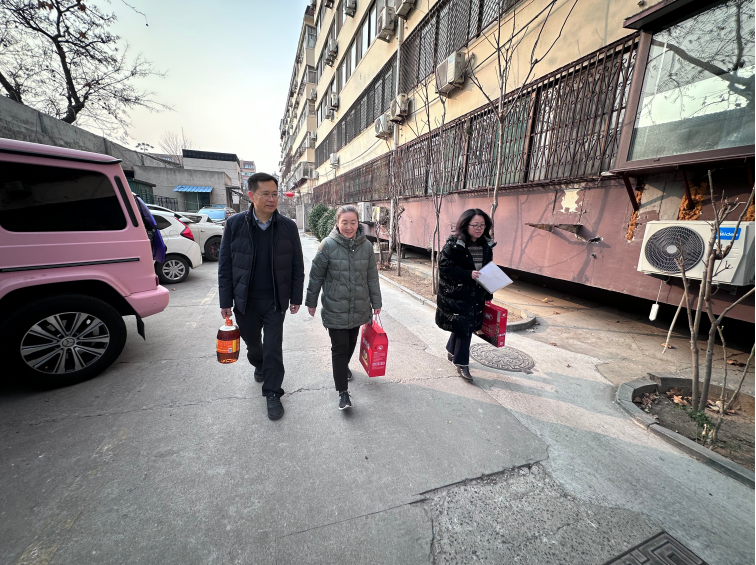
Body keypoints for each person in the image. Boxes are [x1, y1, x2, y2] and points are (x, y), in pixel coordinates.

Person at [218, 172, 305, 421]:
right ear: (251, 195)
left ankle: (273, 392)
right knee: (253, 343)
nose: (271, 199)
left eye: (275, 194)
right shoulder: (235, 225)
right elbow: (225, 265)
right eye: (265, 194)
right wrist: (225, 301)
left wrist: (295, 297)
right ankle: (259, 363)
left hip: (276, 300)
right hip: (245, 300)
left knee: (273, 347)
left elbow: (297, 265)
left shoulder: (287, 226)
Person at [305, 205, 382, 410]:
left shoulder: (366, 246)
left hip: (359, 306)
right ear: (337, 223)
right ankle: (343, 392)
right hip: (335, 307)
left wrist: (376, 302)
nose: (349, 227)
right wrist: (311, 301)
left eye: (353, 222)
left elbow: (372, 277)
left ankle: (343, 367)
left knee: (351, 343)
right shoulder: (327, 245)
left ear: (358, 224)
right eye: (344, 222)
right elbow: (316, 276)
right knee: (339, 348)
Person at [435, 208, 495, 382]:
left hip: (476, 294)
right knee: (465, 327)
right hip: (458, 294)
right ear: (465, 225)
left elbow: (488, 269)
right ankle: (462, 363)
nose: (479, 228)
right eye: (475, 225)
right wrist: (467, 274)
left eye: (482, 225)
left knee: (464, 325)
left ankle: (451, 349)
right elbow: (444, 268)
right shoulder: (454, 245)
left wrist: (489, 291)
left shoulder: (486, 246)